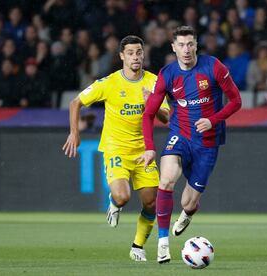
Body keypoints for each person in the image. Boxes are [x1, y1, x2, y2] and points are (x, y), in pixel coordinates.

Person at [137, 26, 242, 264]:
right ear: (173, 47)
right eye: (181, 45)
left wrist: (213, 120)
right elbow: (148, 114)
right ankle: (163, 244)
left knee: (188, 202)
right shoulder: (167, 74)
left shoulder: (214, 67)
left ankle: (188, 213)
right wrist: (149, 147)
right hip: (180, 135)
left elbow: (236, 101)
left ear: (196, 46)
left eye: (190, 44)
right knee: (166, 180)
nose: (186, 50)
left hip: (208, 141)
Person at [62, 35, 170, 262]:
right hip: (116, 149)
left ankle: (137, 246)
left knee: (151, 202)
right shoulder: (110, 83)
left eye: (139, 52)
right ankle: (114, 204)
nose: (135, 57)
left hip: (144, 150)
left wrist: (153, 102)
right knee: (122, 197)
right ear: (122, 56)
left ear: (143, 54)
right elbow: (76, 102)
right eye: (130, 53)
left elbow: (167, 118)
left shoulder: (154, 82)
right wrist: (75, 132)